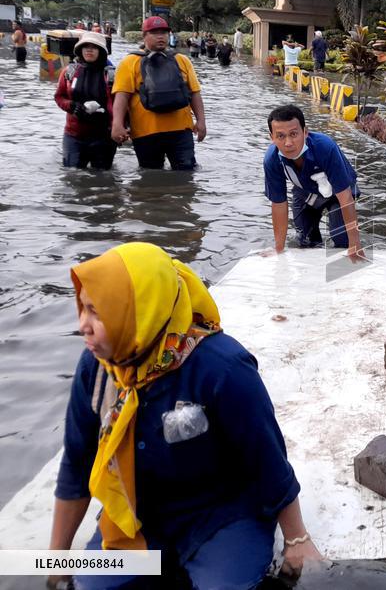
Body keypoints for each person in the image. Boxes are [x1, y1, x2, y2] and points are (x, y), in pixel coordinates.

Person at [48, 242, 322, 589]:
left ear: (138, 311)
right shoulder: (99, 371)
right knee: (91, 586)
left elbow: (265, 455)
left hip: (221, 514)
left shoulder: (221, 367)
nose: (83, 325)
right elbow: (77, 462)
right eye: (82, 308)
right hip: (139, 516)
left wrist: (297, 539)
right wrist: (56, 560)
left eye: (97, 312)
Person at [264, 104, 365, 260]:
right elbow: (278, 204)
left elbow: (345, 198)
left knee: (342, 240)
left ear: (305, 132)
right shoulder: (272, 159)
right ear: (272, 138)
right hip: (305, 192)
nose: (288, 143)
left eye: (293, 134)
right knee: (305, 241)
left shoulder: (325, 147)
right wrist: (278, 248)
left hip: (338, 193)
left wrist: (355, 244)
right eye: (281, 136)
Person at [111, 16, 207, 170]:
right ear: (144, 36)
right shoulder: (129, 62)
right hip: (145, 132)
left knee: (186, 174)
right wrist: (117, 124)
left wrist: (201, 122)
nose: (161, 36)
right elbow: (121, 96)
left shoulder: (182, 60)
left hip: (181, 131)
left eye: (164, 32)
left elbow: (195, 93)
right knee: (150, 177)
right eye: (154, 32)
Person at [53, 32, 118, 169]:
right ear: (79, 50)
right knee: (73, 176)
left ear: (101, 51)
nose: (89, 50)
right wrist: (71, 106)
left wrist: (120, 127)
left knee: (103, 180)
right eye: (86, 46)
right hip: (74, 136)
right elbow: (59, 96)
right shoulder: (69, 71)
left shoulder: (112, 75)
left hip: (104, 137)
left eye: (94, 47)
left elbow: (120, 104)